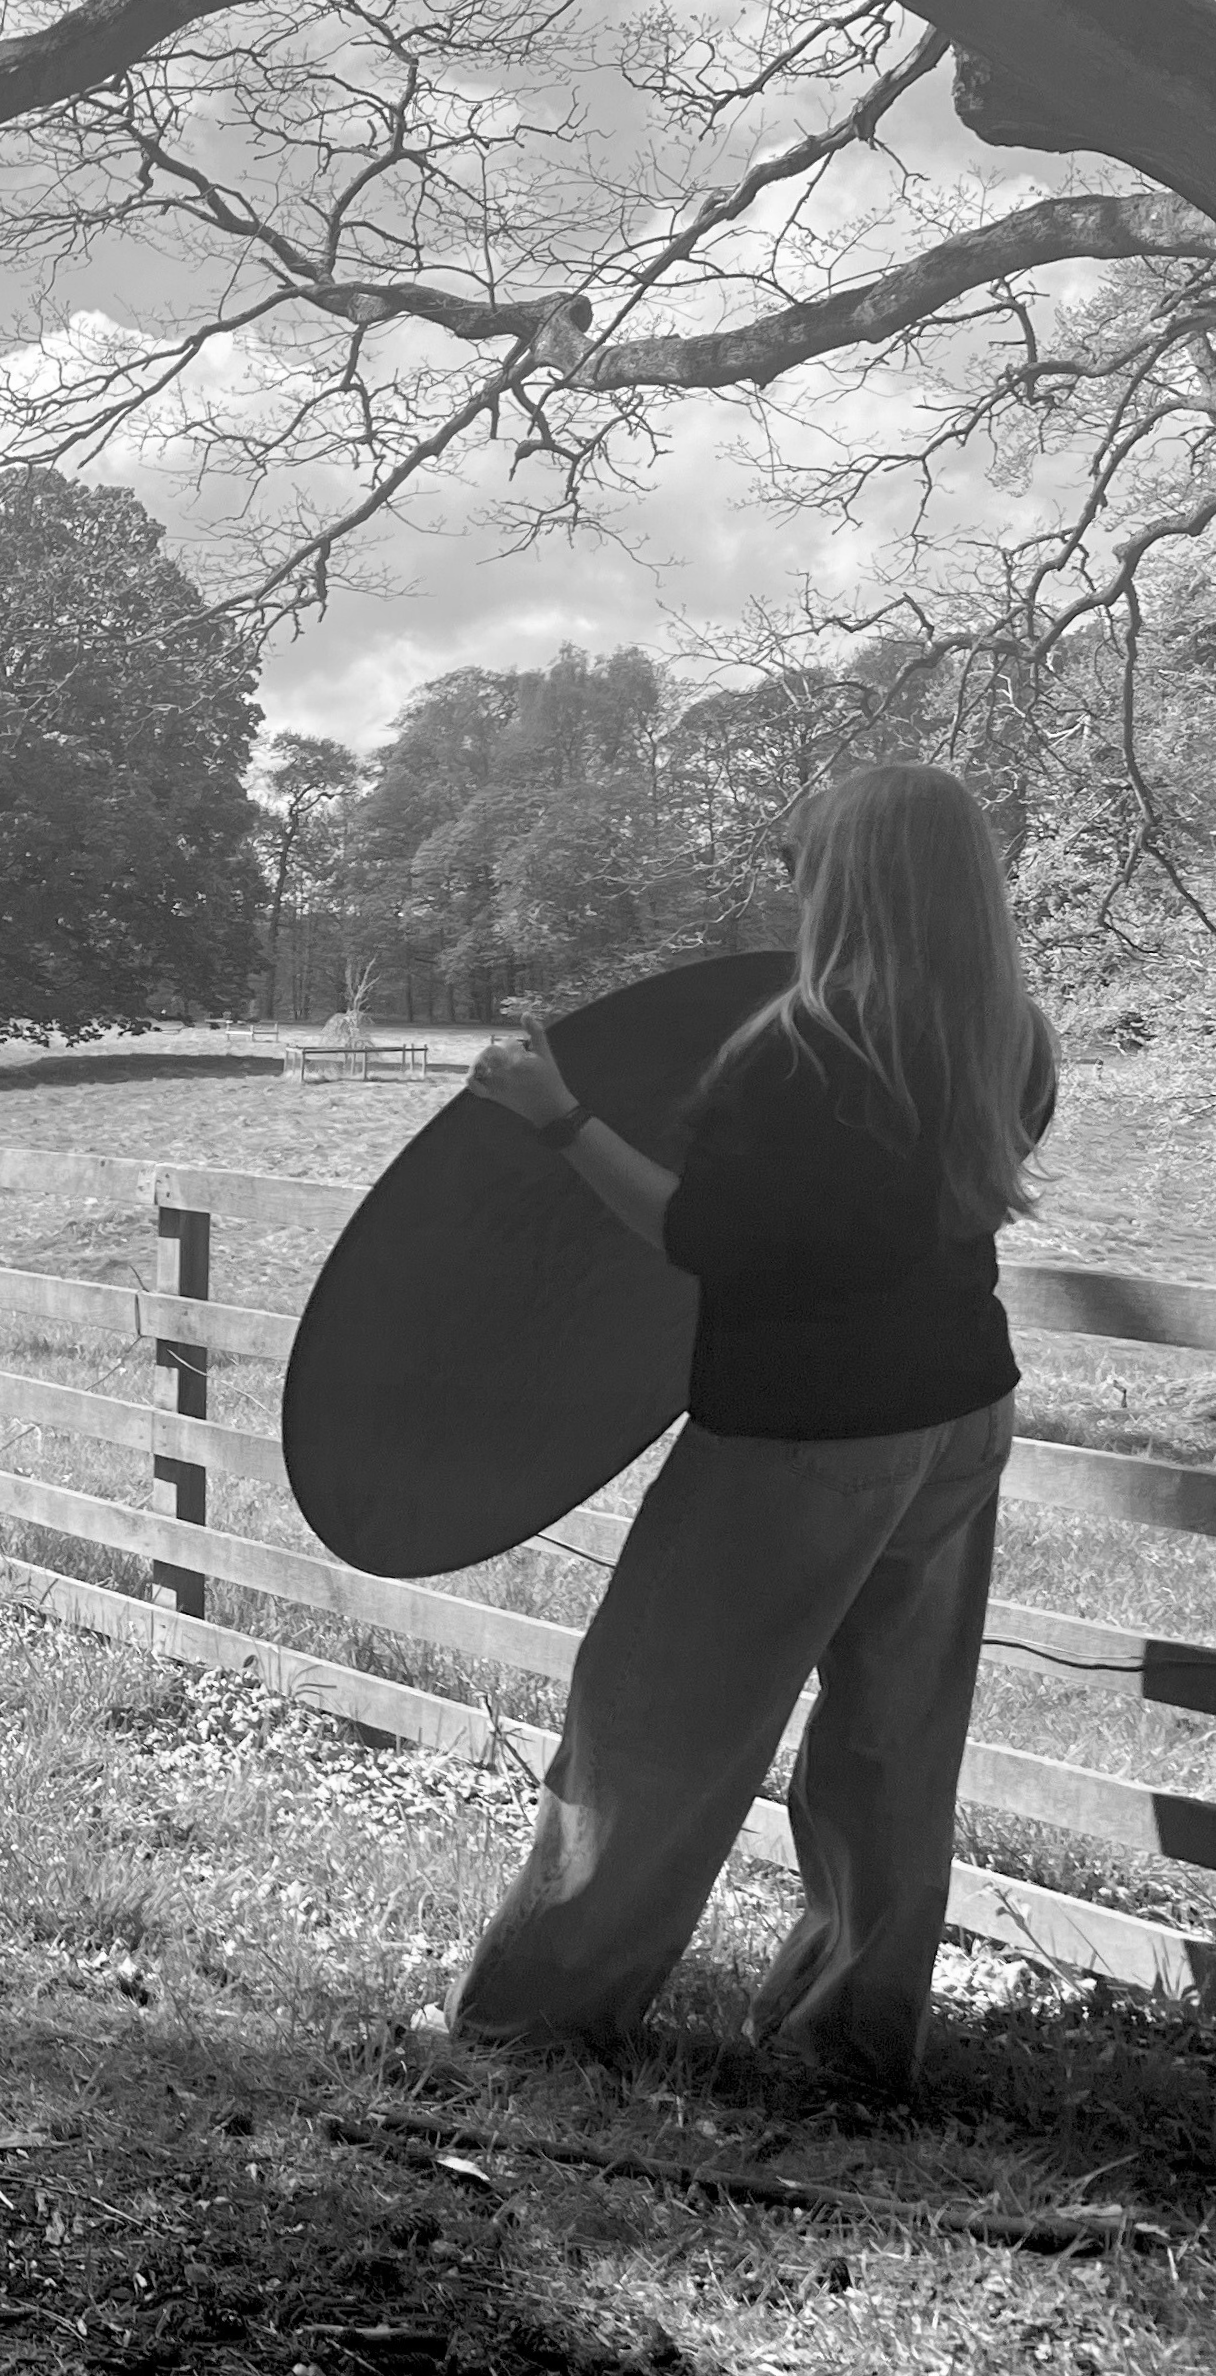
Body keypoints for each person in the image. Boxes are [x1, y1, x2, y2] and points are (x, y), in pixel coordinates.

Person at [448, 761, 1056, 2089]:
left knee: (654, 1723)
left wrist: (555, 1115)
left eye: (805, 859)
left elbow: (700, 1236)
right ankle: (849, 2043)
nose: (789, 880)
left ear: (859, 881)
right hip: (958, 1421)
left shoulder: (805, 1051)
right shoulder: (1011, 1030)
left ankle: (539, 2028)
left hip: (800, 1439)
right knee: (894, 1740)